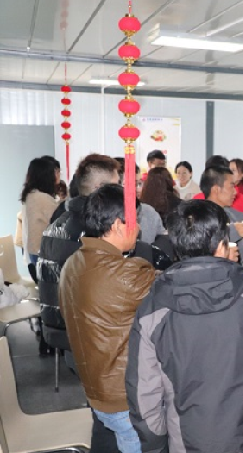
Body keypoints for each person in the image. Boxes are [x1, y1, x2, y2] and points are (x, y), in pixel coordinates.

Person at [126, 200, 243, 453]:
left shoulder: (151, 310)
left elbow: (143, 395)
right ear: (222, 245)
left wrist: (156, 445)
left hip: (190, 442)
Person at [60, 184, 156, 453]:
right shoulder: (125, 274)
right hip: (122, 396)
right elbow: (170, 289)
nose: (138, 229)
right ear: (117, 225)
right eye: (135, 222)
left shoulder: (72, 262)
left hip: (96, 387)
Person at [200, 166, 243, 272]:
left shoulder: (230, 215)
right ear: (216, 189)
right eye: (231, 186)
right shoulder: (200, 218)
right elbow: (204, 246)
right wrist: (234, 231)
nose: (235, 192)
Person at [20, 157, 59, 264]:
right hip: (42, 252)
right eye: (54, 173)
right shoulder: (42, 198)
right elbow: (59, 219)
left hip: (34, 250)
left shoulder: (31, 194)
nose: (57, 176)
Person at [132, 163, 166, 244]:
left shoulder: (149, 212)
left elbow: (163, 237)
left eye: (139, 184)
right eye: (132, 184)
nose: (138, 189)